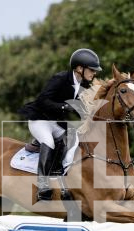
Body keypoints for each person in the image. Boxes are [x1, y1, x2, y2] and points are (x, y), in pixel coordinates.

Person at [18, 48, 102, 201]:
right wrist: (64, 106)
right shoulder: (60, 79)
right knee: (49, 142)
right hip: (39, 120)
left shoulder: (83, 84)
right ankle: (42, 185)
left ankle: (63, 182)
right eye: (91, 70)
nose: (94, 73)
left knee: (73, 140)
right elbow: (42, 100)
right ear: (79, 68)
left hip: (56, 122)